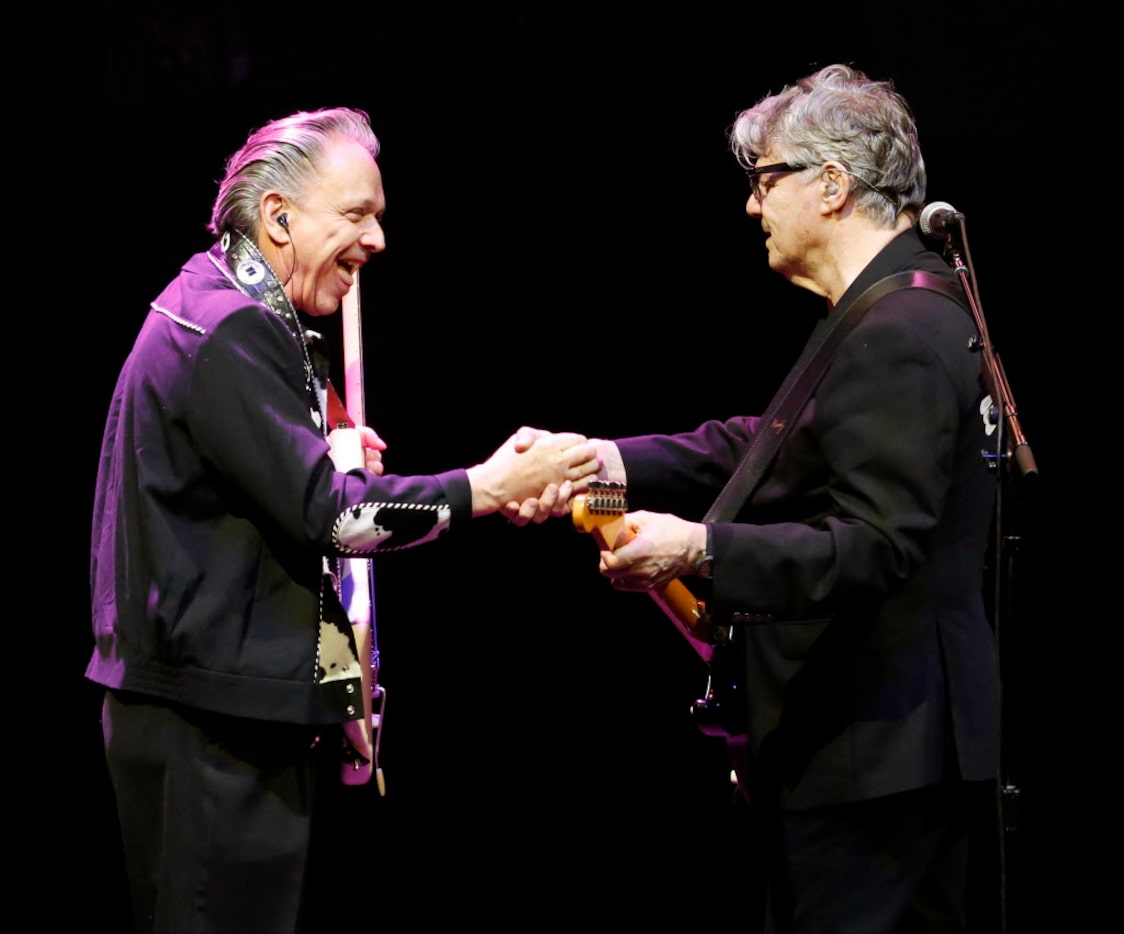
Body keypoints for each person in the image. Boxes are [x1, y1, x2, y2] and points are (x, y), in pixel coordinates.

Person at [510, 64, 1001, 932]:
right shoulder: (877, 312)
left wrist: (698, 551)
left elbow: (877, 545)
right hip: (864, 751)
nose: (751, 205)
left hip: (880, 757)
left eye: (766, 180)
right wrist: (603, 462)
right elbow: (765, 442)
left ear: (833, 185)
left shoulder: (902, 328)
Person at [86, 105, 600, 934]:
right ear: (279, 217)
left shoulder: (223, 308)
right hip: (213, 733)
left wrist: (337, 684)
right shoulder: (231, 330)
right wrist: (489, 486)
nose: (378, 242)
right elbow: (339, 524)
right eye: (357, 215)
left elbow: (278, 548)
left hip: (230, 716)